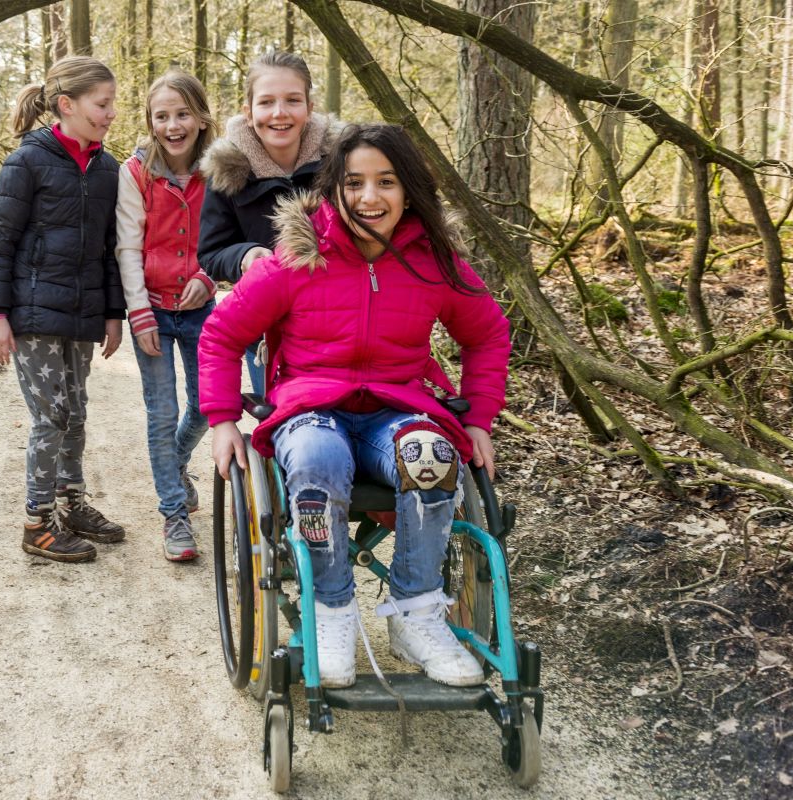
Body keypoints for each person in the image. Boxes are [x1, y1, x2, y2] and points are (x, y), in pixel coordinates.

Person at [198, 123, 511, 689]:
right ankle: (332, 611)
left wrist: (479, 419)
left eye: (386, 182)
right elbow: (221, 335)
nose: (370, 198)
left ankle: (417, 611)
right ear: (334, 190)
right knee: (316, 458)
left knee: (434, 454)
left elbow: (487, 334)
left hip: (396, 409)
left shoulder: (432, 264)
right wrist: (222, 421)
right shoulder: (294, 258)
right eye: (355, 183)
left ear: (409, 191)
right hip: (309, 408)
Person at [0, 56, 127, 564]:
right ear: (67, 105)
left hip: (83, 316)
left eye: (112, 104)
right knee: (52, 416)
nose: (111, 113)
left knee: (77, 413)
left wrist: (113, 313)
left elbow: (110, 249)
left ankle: (73, 505)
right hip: (33, 312)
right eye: (101, 104)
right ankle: (36, 523)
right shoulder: (27, 161)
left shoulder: (108, 169)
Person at [115, 70, 218, 562]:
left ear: (201, 118)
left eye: (182, 114)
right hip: (151, 308)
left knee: (206, 405)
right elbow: (129, 248)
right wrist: (139, 312)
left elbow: (223, 242)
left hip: (201, 309)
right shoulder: (135, 173)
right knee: (162, 412)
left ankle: (173, 465)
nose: (173, 125)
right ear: (151, 122)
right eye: (162, 116)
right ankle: (174, 514)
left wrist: (210, 277)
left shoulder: (222, 171)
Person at [197, 51, 343, 394]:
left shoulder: (344, 160)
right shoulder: (226, 171)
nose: (279, 113)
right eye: (266, 102)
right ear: (249, 112)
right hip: (266, 327)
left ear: (309, 106)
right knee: (279, 426)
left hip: (339, 323)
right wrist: (245, 256)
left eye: (293, 100)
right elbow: (212, 252)